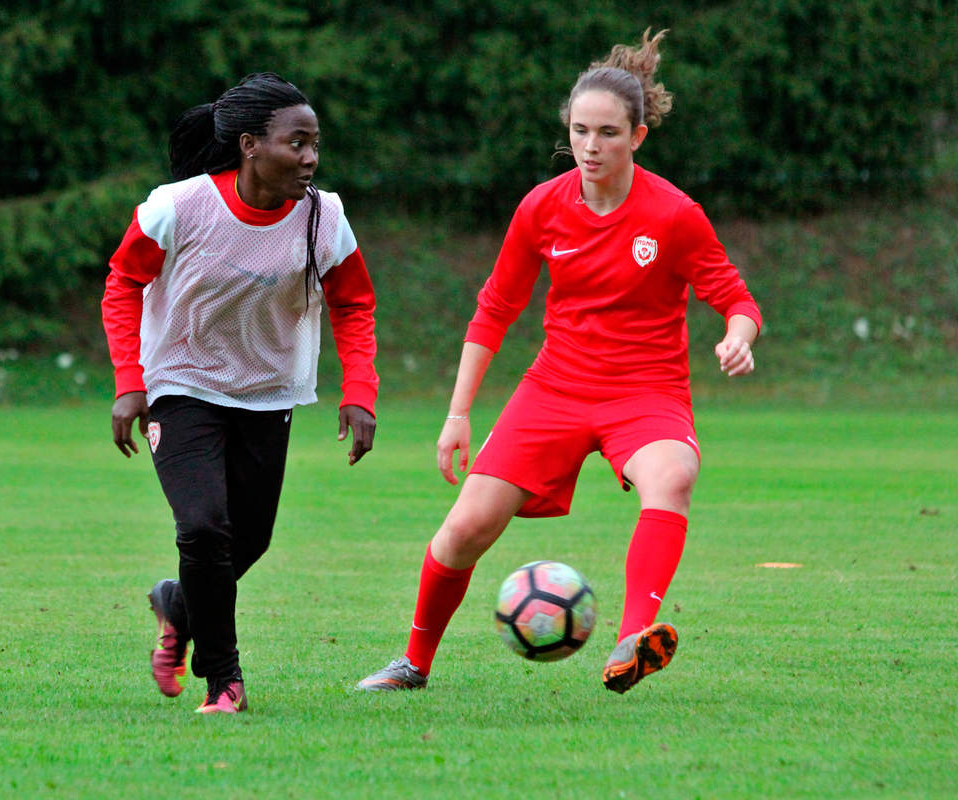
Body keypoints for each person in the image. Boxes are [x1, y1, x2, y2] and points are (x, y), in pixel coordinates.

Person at [357, 29, 760, 695]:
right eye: (580, 131)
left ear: (638, 137)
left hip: (646, 389)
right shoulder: (542, 208)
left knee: (673, 475)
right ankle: (412, 664)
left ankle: (634, 638)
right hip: (557, 388)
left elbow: (735, 297)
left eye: (607, 132)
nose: (591, 146)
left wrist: (737, 334)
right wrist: (458, 414)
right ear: (567, 132)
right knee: (464, 530)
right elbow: (493, 311)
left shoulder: (674, 215)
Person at [102, 72, 378, 714]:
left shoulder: (324, 217)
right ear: (251, 145)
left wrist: (359, 389)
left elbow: (355, 302)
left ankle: (179, 606)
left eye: (315, 144)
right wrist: (128, 383)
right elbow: (122, 283)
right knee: (203, 529)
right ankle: (224, 683)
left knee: (246, 542)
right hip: (181, 384)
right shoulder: (178, 207)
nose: (311, 157)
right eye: (297, 142)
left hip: (268, 393)